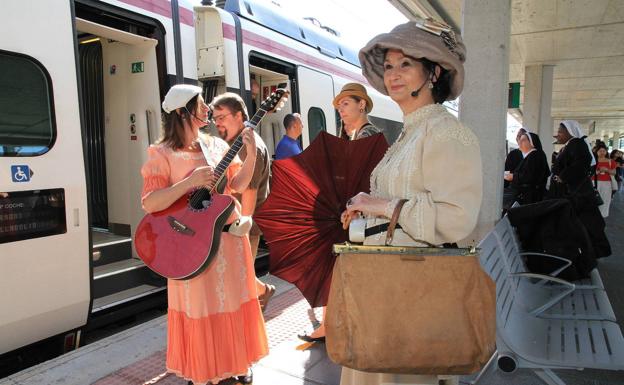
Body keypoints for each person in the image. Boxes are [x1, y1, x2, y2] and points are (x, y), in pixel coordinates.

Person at [339, 20, 483, 385]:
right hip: (388, 289)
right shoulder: (412, 131)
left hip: (411, 295)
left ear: (433, 72)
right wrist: (364, 215)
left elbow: (456, 220)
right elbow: (404, 201)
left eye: (405, 64)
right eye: (388, 66)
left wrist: (381, 206)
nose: (394, 74)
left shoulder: (448, 133)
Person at [140, 85, 268, 385]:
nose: (207, 110)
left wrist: (249, 155)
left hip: (228, 241)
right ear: (184, 111)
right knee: (201, 308)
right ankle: (204, 371)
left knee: (233, 304)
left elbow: (237, 184)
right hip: (189, 246)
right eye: (200, 105)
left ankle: (237, 363)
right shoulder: (162, 153)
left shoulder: (215, 145)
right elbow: (150, 202)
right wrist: (188, 184)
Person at [213, 92, 276, 311]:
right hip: (232, 223)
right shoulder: (234, 144)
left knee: (239, 276)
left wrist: (243, 231)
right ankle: (260, 293)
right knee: (239, 275)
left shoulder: (250, 147)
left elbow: (249, 192)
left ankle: (261, 294)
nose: (217, 123)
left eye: (221, 117)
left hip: (243, 224)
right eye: (215, 118)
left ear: (239, 116)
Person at [548, 120, 611, 258]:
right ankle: (589, 253)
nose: (557, 135)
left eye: (560, 132)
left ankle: (591, 254)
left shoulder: (576, 143)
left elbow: (582, 164)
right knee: (586, 225)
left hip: (578, 196)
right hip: (578, 195)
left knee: (586, 225)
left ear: (570, 132)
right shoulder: (571, 145)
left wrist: (563, 177)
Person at [504, 131, 550, 206]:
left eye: (523, 140)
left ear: (532, 143)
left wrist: (513, 177)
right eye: (520, 140)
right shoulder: (531, 155)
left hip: (530, 197)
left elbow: (529, 176)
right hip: (528, 196)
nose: (520, 142)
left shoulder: (535, 155)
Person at [593, 142, 616, 217]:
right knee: (593, 199)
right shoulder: (593, 161)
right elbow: (589, 172)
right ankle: (593, 215)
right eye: (600, 151)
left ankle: (602, 215)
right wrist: (598, 171)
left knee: (605, 199)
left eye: (604, 151)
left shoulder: (611, 161)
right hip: (594, 182)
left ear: (606, 152)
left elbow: (614, 172)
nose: (602, 153)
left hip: (606, 183)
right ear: (597, 152)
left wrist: (607, 170)